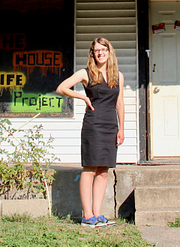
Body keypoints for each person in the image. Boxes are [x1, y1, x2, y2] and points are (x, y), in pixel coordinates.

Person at [56, 37, 125, 227]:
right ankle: (87, 216)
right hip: (93, 125)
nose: (100, 53)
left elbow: (119, 103)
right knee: (90, 168)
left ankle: (97, 214)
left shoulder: (117, 75)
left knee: (103, 171)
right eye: (97, 50)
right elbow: (61, 88)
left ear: (109, 52)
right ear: (92, 53)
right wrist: (83, 98)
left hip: (111, 126)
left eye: (104, 50)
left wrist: (122, 128)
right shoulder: (86, 73)